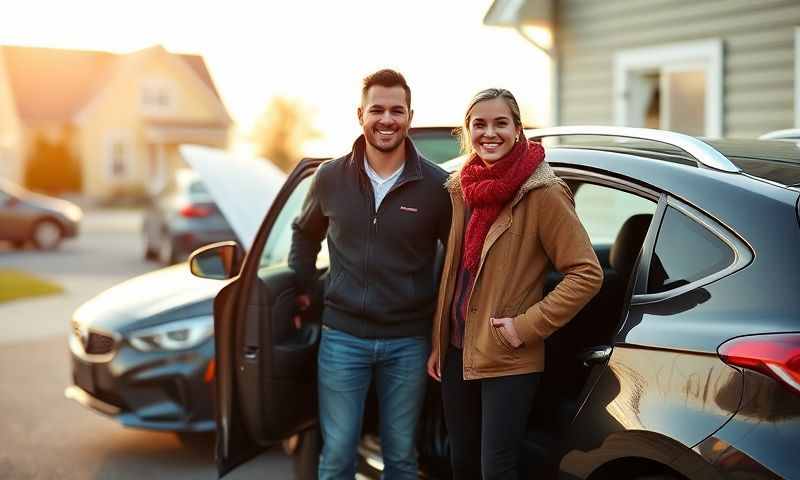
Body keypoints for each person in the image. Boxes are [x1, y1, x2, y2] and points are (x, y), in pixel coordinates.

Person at [426, 88, 603, 479]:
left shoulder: (543, 192)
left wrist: (526, 327)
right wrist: (440, 341)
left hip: (507, 354)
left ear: (519, 129)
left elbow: (587, 273)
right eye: (480, 124)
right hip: (456, 350)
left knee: (496, 470)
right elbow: (457, 273)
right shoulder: (460, 188)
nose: (490, 133)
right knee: (463, 464)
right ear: (467, 131)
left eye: (501, 123)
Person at [289, 68, 452, 480]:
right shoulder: (329, 178)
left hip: (408, 343)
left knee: (400, 457)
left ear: (410, 117)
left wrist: (442, 331)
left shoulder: (438, 186)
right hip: (343, 339)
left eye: (397, 110)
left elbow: (458, 262)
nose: (387, 119)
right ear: (360, 114)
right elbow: (304, 235)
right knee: (337, 455)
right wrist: (306, 287)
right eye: (377, 109)